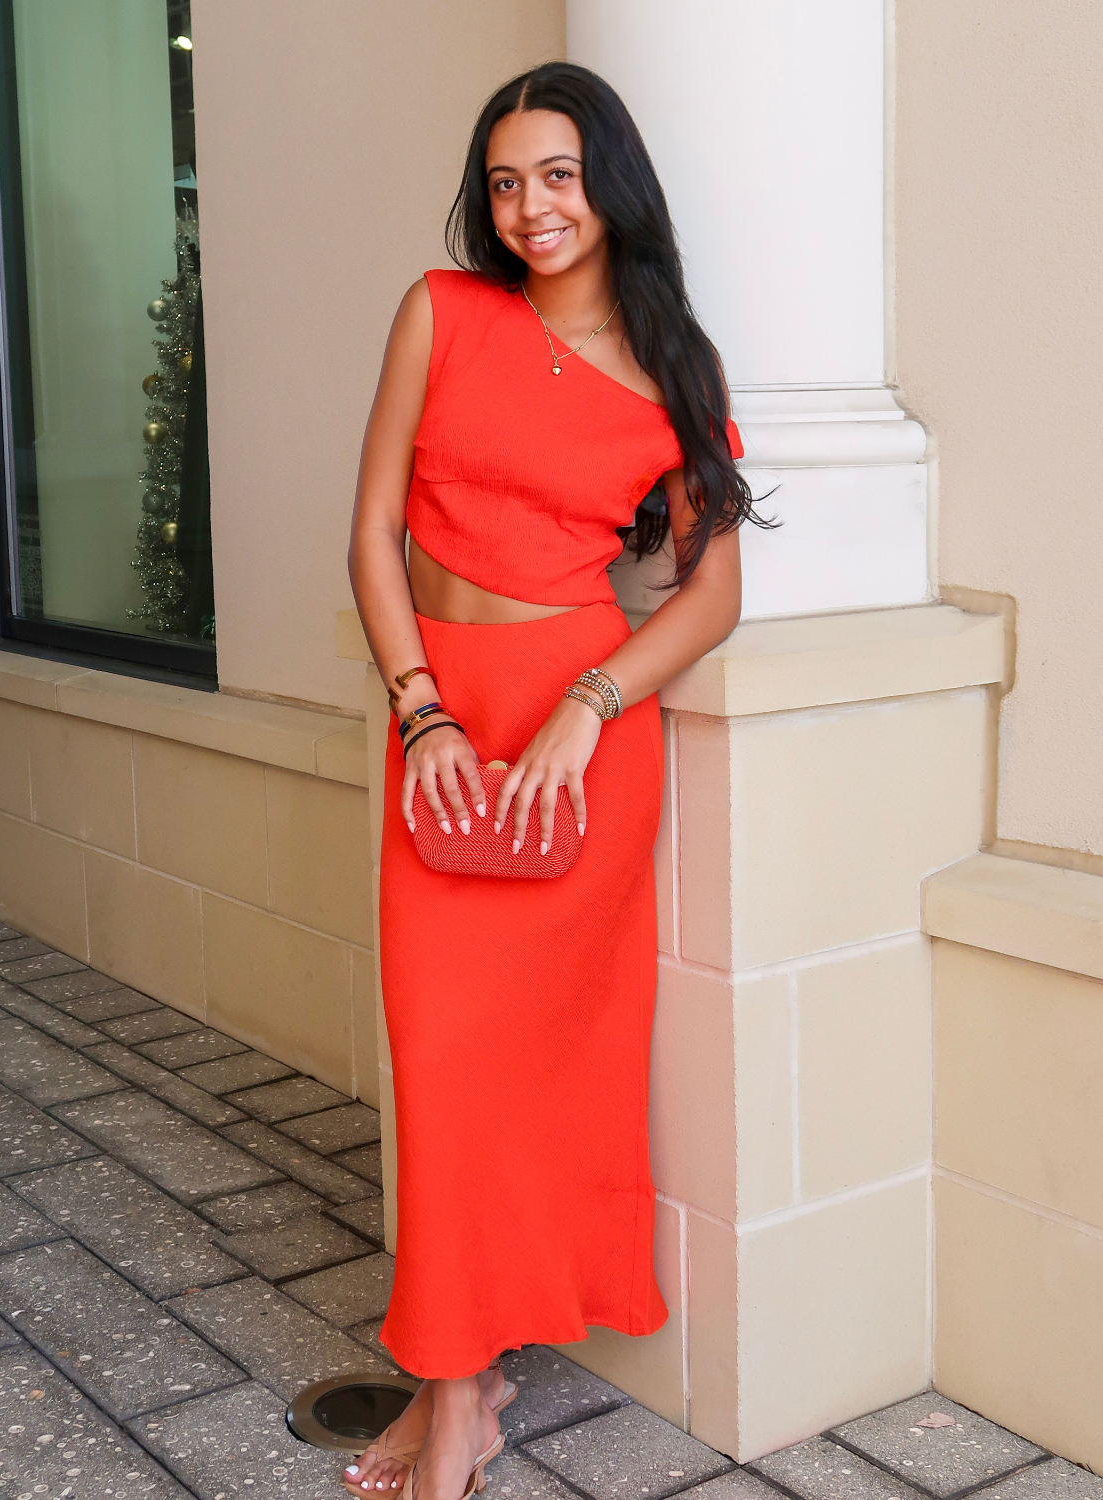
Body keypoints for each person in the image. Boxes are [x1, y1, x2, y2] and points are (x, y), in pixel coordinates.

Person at [346, 60, 759, 1500]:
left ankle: (458, 1397)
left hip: (576, 749)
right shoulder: (442, 312)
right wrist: (421, 714)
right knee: (440, 1061)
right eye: (508, 182)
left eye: (561, 177)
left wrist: (593, 702)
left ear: (612, 185)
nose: (533, 208)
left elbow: (711, 594)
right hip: (445, 726)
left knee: (535, 1076)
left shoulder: (676, 365)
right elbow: (375, 532)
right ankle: (458, 1379)